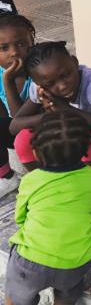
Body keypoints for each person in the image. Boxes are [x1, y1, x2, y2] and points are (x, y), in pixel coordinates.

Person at [5, 111, 91, 305]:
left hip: (30, 263)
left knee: (16, 296)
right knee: (67, 294)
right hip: (74, 264)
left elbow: (20, 217)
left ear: (35, 153)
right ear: (85, 151)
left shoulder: (31, 180)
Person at [11, 41, 91, 243]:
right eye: (49, 84)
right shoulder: (39, 88)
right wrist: (50, 113)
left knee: (85, 134)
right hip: (75, 147)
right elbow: (15, 125)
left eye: (65, 75)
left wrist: (65, 109)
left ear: (74, 62)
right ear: (39, 84)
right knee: (24, 140)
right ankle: (51, 187)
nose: (61, 85)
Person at [0, 13, 35, 197]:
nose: (13, 53)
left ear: (32, 41)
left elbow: (18, 117)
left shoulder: (39, 72)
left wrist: (8, 81)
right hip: (16, 133)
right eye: (3, 48)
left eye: (21, 44)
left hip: (39, 133)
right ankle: (6, 175)